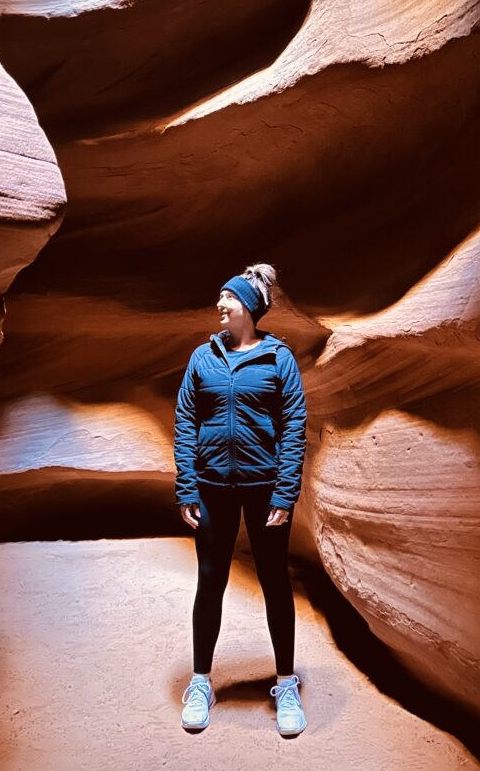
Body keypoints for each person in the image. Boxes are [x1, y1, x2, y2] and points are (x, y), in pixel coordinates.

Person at [174, 262, 308, 736]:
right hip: (212, 489)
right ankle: (200, 682)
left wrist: (286, 492)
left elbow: (294, 427)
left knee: (274, 582)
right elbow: (186, 419)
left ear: (248, 309)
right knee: (210, 582)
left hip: (264, 489)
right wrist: (187, 484)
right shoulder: (202, 358)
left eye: (227, 299)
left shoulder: (278, 360)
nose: (220, 305)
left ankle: (286, 684)